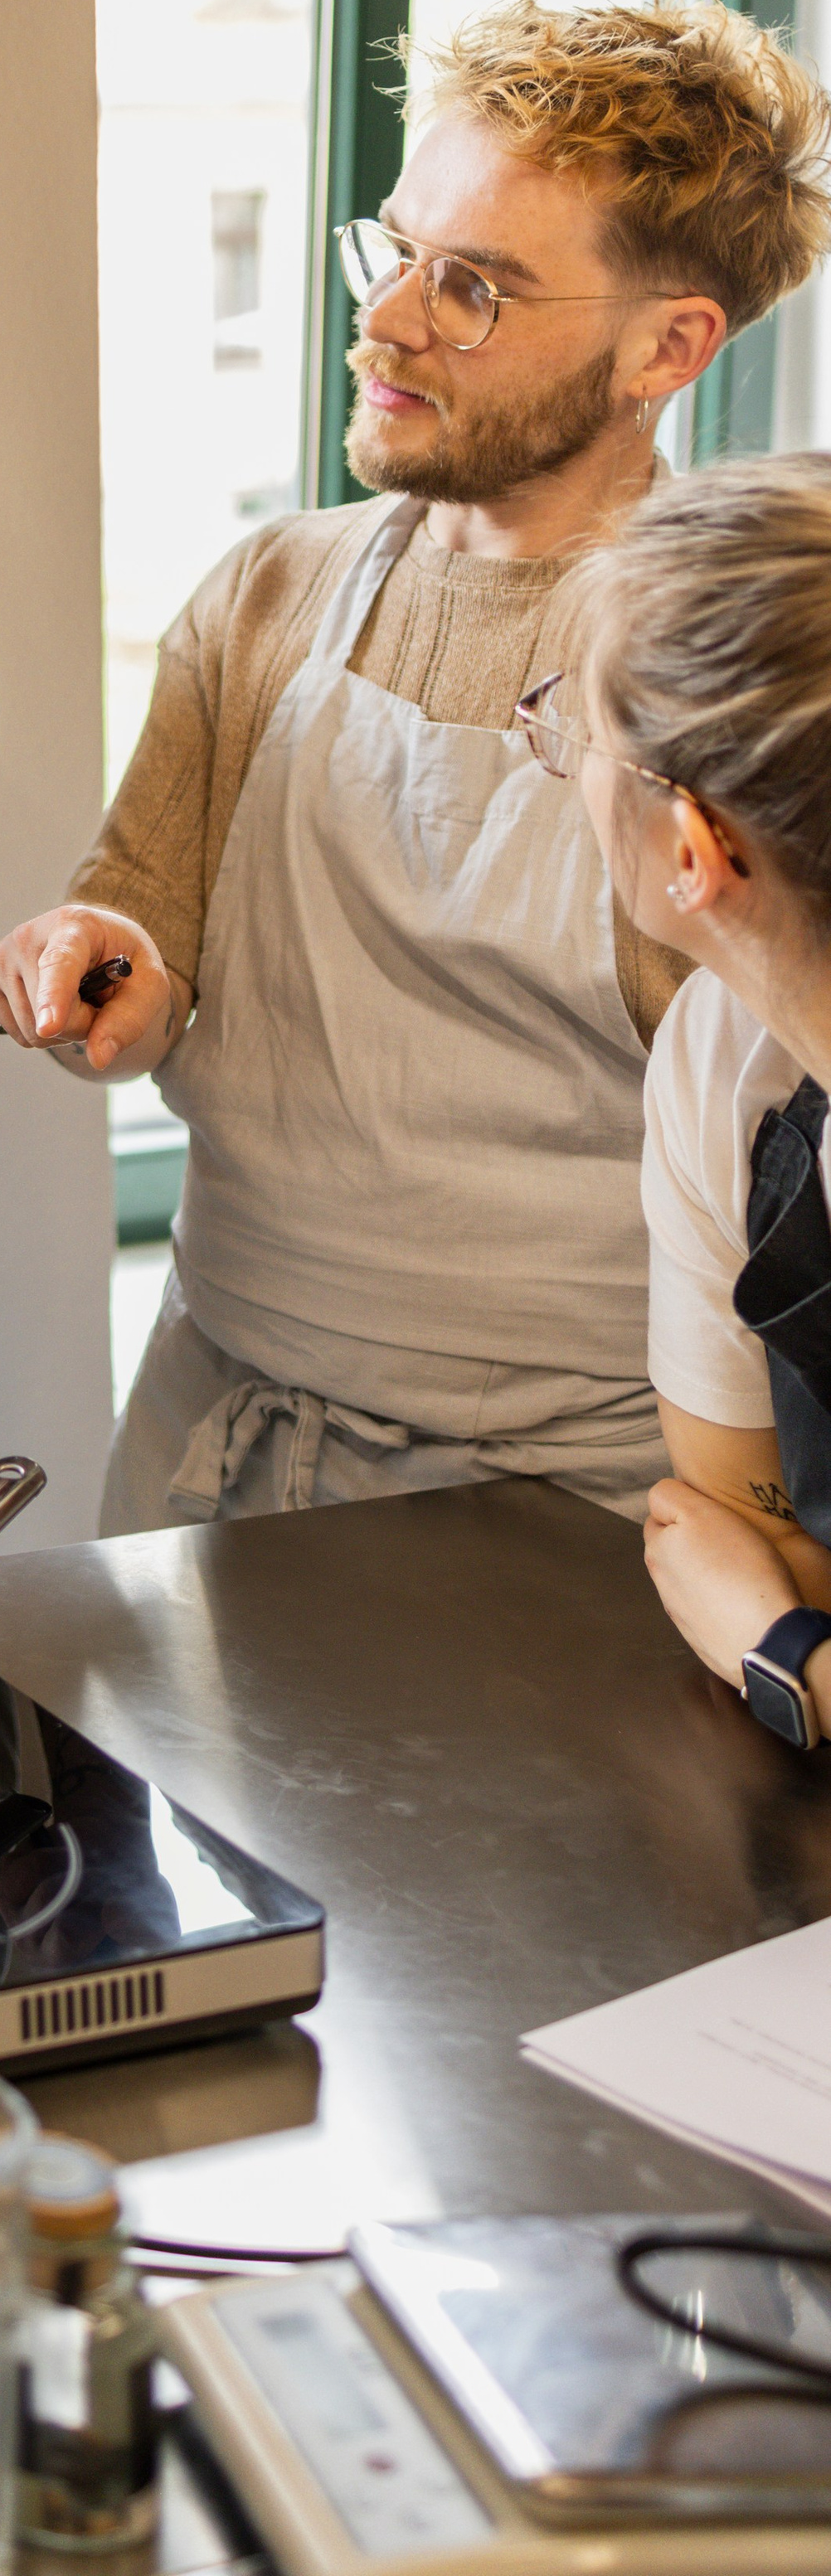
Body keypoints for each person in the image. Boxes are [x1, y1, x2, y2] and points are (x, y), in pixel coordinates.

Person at [0, 0, 831, 1529]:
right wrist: (109, 964)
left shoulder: (711, 684)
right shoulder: (267, 597)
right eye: (392, 254)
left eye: (477, 290)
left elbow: (766, 1131)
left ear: (670, 344)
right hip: (215, 1416)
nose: (388, 321)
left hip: (569, 1499)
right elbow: (151, 933)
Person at [547, 455, 831, 1745]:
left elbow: (765, 1600)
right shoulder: (728, 1060)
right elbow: (748, 1535)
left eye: (574, 734)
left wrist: (790, 1664)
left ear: (695, 851)